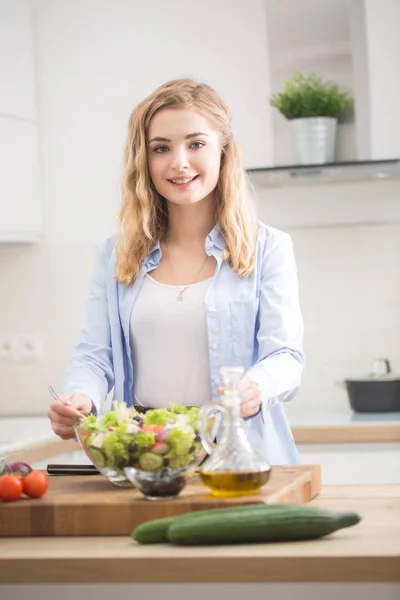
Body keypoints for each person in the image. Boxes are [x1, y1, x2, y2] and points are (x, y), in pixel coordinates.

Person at [48, 78, 305, 464]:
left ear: (224, 152)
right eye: (161, 148)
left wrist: (258, 386)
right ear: (144, 160)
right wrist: (79, 397)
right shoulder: (114, 254)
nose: (179, 161)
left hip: (241, 455)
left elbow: (285, 355)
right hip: (146, 456)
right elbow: (94, 357)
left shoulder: (267, 248)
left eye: (196, 144)